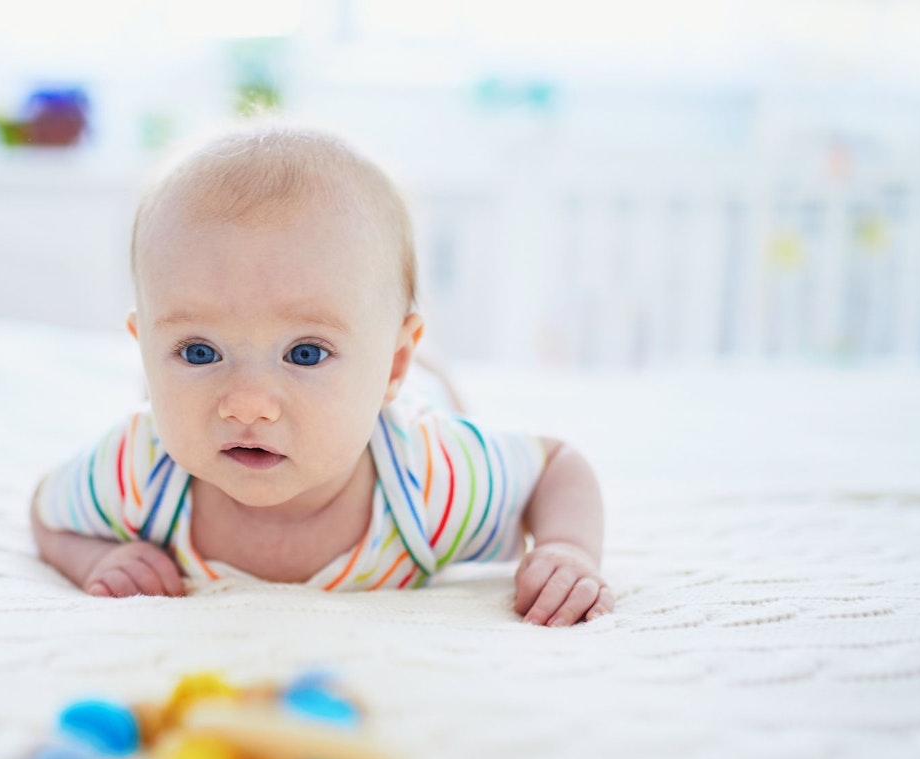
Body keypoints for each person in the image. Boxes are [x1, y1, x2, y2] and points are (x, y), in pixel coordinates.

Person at [31, 122, 612, 626]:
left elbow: (555, 467)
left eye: (305, 353)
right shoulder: (140, 466)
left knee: (442, 396)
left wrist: (567, 548)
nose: (248, 404)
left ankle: (423, 373)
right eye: (198, 351)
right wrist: (94, 561)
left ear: (393, 365)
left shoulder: (430, 476)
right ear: (143, 348)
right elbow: (45, 509)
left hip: (406, 408)